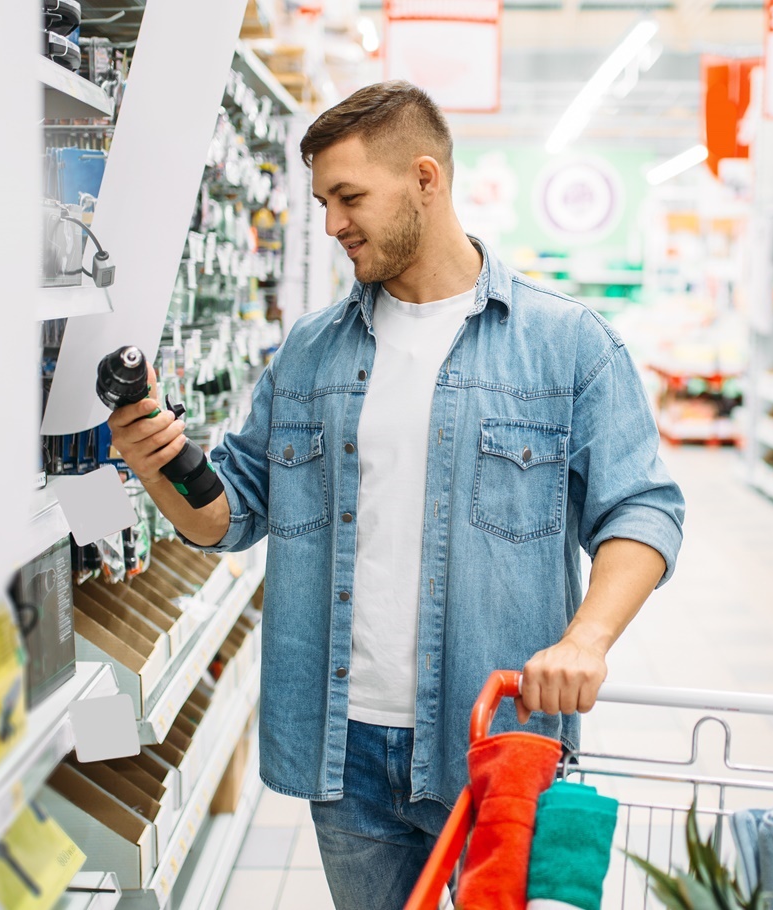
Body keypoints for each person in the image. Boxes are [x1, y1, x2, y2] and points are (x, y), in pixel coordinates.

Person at [107, 81, 685, 909]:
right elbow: (229, 512)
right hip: (344, 751)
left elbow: (642, 510)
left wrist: (587, 639)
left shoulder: (566, 345)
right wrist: (159, 459)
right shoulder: (310, 351)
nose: (333, 224)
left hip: (494, 739)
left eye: (349, 198)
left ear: (425, 179)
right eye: (323, 203)